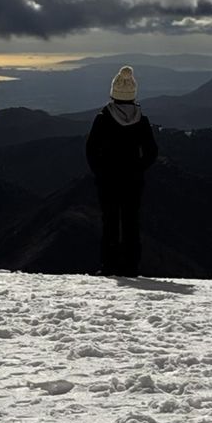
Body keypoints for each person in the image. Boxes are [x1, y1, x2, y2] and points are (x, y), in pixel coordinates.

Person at [86, 66, 158, 277]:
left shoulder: (103, 118)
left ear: (113, 93)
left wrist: (100, 171)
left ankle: (109, 266)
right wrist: (138, 167)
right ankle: (131, 267)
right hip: (133, 181)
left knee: (109, 221)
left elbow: (91, 149)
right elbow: (152, 151)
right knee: (131, 222)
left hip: (108, 180)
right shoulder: (141, 120)